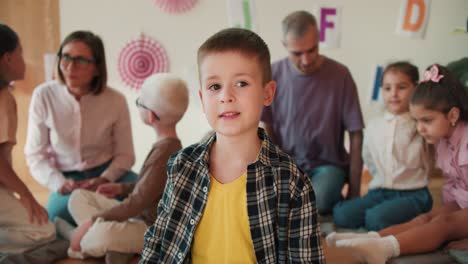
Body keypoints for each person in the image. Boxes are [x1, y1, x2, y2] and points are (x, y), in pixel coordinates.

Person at [140, 28, 324, 263]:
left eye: (241, 83)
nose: (226, 96)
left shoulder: (290, 181)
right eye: (214, 87)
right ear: (203, 98)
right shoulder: (182, 167)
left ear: (267, 93)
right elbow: (158, 246)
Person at [327, 64, 468, 264]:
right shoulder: (443, 141)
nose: (420, 128)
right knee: (425, 219)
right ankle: (370, 239)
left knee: (444, 224)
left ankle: (385, 249)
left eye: (426, 121)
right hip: (462, 203)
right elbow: (453, 187)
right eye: (417, 121)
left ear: (453, 116)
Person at [64, 73, 188, 263]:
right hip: (137, 215)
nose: (137, 105)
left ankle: (80, 237)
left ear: (151, 115)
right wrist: (122, 188)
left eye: (140, 102)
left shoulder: (163, 155)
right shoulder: (168, 146)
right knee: (78, 198)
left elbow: (137, 202)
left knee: (97, 236)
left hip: (150, 229)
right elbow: (150, 188)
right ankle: (116, 246)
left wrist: (93, 220)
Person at [24, 30, 137, 225]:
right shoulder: (44, 96)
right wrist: (59, 183)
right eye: (65, 57)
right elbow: (35, 156)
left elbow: (125, 154)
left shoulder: (116, 100)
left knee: (147, 198)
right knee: (58, 219)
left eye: (80, 60)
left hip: (108, 173)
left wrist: (105, 178)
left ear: (97, 69)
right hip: (67, 179)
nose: (69, 66)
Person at [261, 10, 364, 215]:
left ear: (319, 39)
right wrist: (276, 170)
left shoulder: (340, 75)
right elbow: (268, 126)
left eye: (312, 49)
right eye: (297, 53)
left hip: (328, 166)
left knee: (315, 202)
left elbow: (356, 134)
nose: (306, 60)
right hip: (287, 166)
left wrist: (354, 190)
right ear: (284, 45)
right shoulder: (272, 75)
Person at [332, 62, 433, 231]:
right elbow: (369, 160)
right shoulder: (374, 126)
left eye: (401, 87)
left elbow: (429, 162)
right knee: (341, 214)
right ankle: (382, 216)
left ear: (415, 88)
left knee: (375, 218)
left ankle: (413, 218)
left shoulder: (420, 125)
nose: (393, 94)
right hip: (380, 192)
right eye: (387, 88)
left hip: (413, 193)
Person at [0, 23, 55, 253]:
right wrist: (26, 195)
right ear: (8, 59)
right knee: (46, 231)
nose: (25, 59)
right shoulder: (4, 99)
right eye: (21, 52)